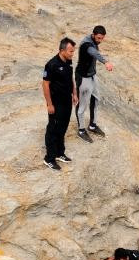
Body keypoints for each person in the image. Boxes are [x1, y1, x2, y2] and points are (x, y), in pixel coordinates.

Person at [42, 37, 78, 170]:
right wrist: (49, 104)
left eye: (73, 51)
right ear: (62, 50)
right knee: (53, 128)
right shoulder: (51, 64)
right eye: (70, 51)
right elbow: (45, 85)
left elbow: (71, 79)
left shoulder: (69, 62)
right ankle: (49, 158)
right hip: (56, 102)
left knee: (63, 127)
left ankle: (59, 153)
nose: (72, 54)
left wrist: (74, 93)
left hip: (67, 101)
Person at [75, 25, 113, 143]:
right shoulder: (87, 44)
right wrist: (105, 62)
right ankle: (81, 130)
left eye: (102, 38)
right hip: (83, 78)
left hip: (92, 76)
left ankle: (92, 125)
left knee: (96, 99)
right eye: (98, 38)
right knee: (82, 106)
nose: (100, 40)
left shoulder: (94, 41)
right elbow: (94, 53)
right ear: (93, 34)